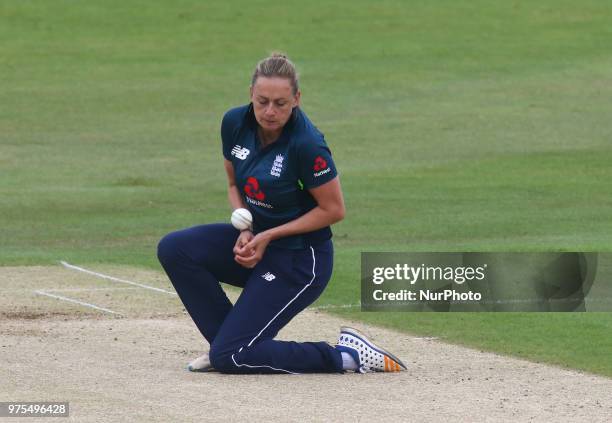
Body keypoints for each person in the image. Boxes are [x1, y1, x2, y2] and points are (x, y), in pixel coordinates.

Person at [157, 53, 406, 374]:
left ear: (296, 100)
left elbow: (333, 209)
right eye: (262, 102)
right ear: (251, 95)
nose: (270, 112)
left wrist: (268, 235)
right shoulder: (234, 123)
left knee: (231, 357)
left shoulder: (307, 144)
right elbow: (234, 182)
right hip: (258, 242)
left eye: (280, 103)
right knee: (176, 248)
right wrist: (246, 227)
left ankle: (348, 356)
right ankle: (227, 343)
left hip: (301, 261)